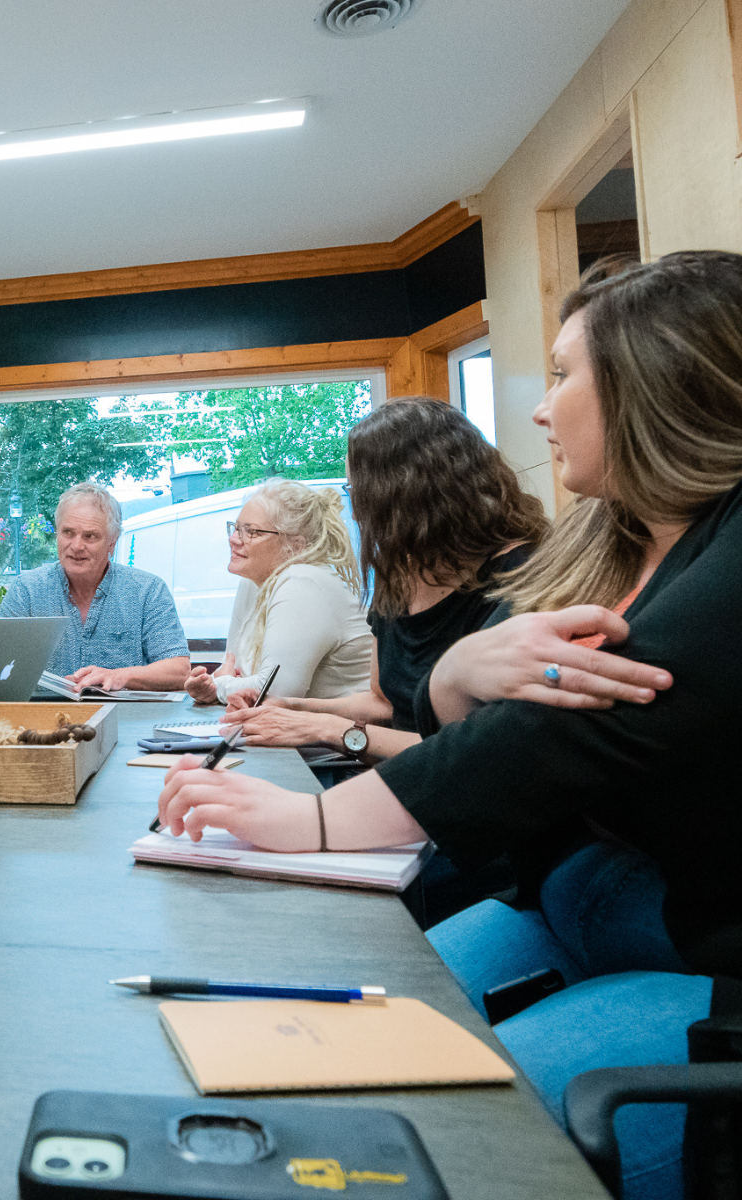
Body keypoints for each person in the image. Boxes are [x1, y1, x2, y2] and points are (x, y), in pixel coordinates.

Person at [159, 251, 742, 1200]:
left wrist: (311, 822)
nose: (543, 409)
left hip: (688, 951)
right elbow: (479, 715)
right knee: (323, 1055)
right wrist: (465, 675)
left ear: (653, 380)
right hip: (565, 901)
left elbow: (556, 736)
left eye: (562, 374)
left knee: (425, 1141)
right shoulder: (619, 542)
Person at [217, 400, 548, 763]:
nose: (356, 510)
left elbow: (480, 755)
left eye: (359, 490)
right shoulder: (403, 575)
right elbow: (382, 704)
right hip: (400, 785)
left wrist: (325, 729)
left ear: (406, 492)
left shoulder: (519, 579)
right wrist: (291, 706)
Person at [183, 479, 371, 706]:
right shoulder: (253, 583)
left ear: (296, 546)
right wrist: (214, 683)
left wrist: (217, 686)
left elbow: (273, 692)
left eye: (251, 532)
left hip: (345, 735)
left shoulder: (304, 582)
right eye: (235, 528)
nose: (233, 539)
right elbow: (233, 669)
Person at [0, 482, 190, 690]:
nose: (77, 546)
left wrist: (121, 676)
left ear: (112, 542)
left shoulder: (148, 591)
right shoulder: (26, 591)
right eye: (68, 533)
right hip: (43, 719)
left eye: (90, 536)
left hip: (123, 719)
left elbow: (178, 670)